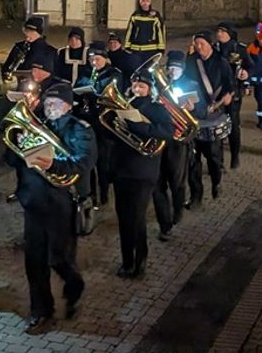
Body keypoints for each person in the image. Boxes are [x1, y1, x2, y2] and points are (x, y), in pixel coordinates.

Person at [5, 82, 97, 332]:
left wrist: (53, 165)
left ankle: (74, 285)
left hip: (62, 204)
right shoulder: (37, 126)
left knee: (59, 259)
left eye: (54, 104)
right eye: (47, 104)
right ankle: (41, 311)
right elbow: (11, 159)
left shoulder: (80, 130)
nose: (49, 108)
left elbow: (83, 163)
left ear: (68, 106)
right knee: (34, 261)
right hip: (33, 202)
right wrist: (20, 146)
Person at [110, 71, 172, 278]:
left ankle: (139, 262)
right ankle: (126, 260)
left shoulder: (157, 109)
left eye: (142, 87)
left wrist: (140, 127)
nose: (137, 90)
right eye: (135, 86)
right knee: (123, 217)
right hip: (122, 170)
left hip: (144, 171)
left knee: (136, 218)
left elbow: (167, 132)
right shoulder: (125, 107)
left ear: (149, 89)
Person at [185, 30, 234, 207]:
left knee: (213, 157)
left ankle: (216, 181)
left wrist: (229, 96)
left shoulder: (221, 62)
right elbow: (185, 82)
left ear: (210, 44)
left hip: (213, 115)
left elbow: (230, 84)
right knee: (192, 160)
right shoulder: (191, 61)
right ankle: (196, 195)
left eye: (202, 44)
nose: (199, 47)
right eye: (196, 44)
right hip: (195, 115)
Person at [77, 41, 123, 206]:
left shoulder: (114, 73)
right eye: (92, 60)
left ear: (105, 58)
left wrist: (95, 92)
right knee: (88, 161)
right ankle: (92, 195)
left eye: (97, 59)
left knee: (103, 162)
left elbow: (115, 94)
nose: (94, 62)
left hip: (105, 123)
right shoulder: (86, 72)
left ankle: (103, 194)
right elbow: (77, 88)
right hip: (88, 121)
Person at [153, 50, 193, 240]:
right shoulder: (159, 86)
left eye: (176, 68)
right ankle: (165, 224)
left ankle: (178, 209)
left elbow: (200, 110)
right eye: (170, 68)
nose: (172, 71)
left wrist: (192, 107)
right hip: (160, 140)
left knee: (176, 182)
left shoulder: (190, 85)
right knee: (157, 184)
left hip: (178, 143)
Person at [215, 21, 253, 169]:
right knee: (218, 126)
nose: (219, 34)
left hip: (234, 92)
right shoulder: (214, 48)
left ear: (229, 34)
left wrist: (247, 74)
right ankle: (220, 161)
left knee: (233, 125)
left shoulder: (239, 48)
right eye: (218, 31)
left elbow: (250, 66)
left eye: (222, 32)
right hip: (217, 93)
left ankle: (235, 155)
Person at [124, 0, 166, 65]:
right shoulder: (135, 15)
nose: (145, 3)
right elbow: (129, 31)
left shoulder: (155, 15)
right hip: (136, 49)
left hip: (151, 49)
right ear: (140, 3)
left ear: (150, 3)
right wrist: (127, 46)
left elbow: (160, 32)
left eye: (147, 1)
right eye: (143, 1)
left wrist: (161, 48)